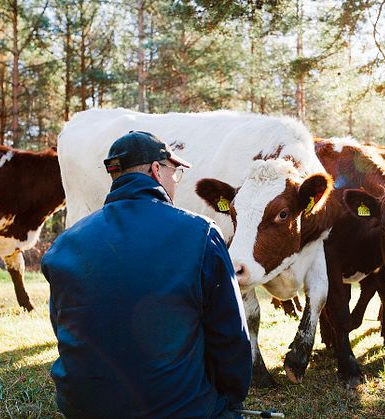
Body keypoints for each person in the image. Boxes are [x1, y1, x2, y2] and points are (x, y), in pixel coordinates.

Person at [41, 130, 252, 418]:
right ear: (157, 170)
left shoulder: (65, 243)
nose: (175, 181)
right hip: (177, 408)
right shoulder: (200, 234)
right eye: (174, 172)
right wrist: (230, 399)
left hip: (81, 406)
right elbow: (229, 335)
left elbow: (65, 327)